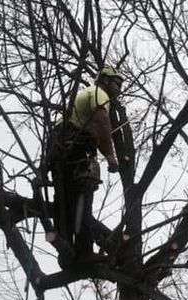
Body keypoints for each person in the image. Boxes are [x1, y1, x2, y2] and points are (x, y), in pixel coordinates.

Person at [43, 64, 126, 266]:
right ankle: (84, 253)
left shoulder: (79, 101)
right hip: (77, 148)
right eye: (117, 83)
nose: (119, 88)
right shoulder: (98, 93)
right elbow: (102, 121)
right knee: (83, 199)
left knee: (65, 201)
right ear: (105, 79)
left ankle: (66, 252)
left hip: (60, 151)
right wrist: (110, 155)